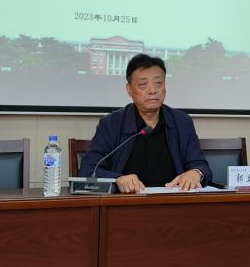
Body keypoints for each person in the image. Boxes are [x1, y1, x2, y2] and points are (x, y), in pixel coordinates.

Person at [79, 54, 211, 193]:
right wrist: (118, 179)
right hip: (126, 202)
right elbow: (88, 170)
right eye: (143, 85)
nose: (153, 91)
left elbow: (201, 166)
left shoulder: (182, 122)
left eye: (158, 83)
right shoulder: (111, 124)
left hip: (173, 201)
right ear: (129, 89)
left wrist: (196, 173)